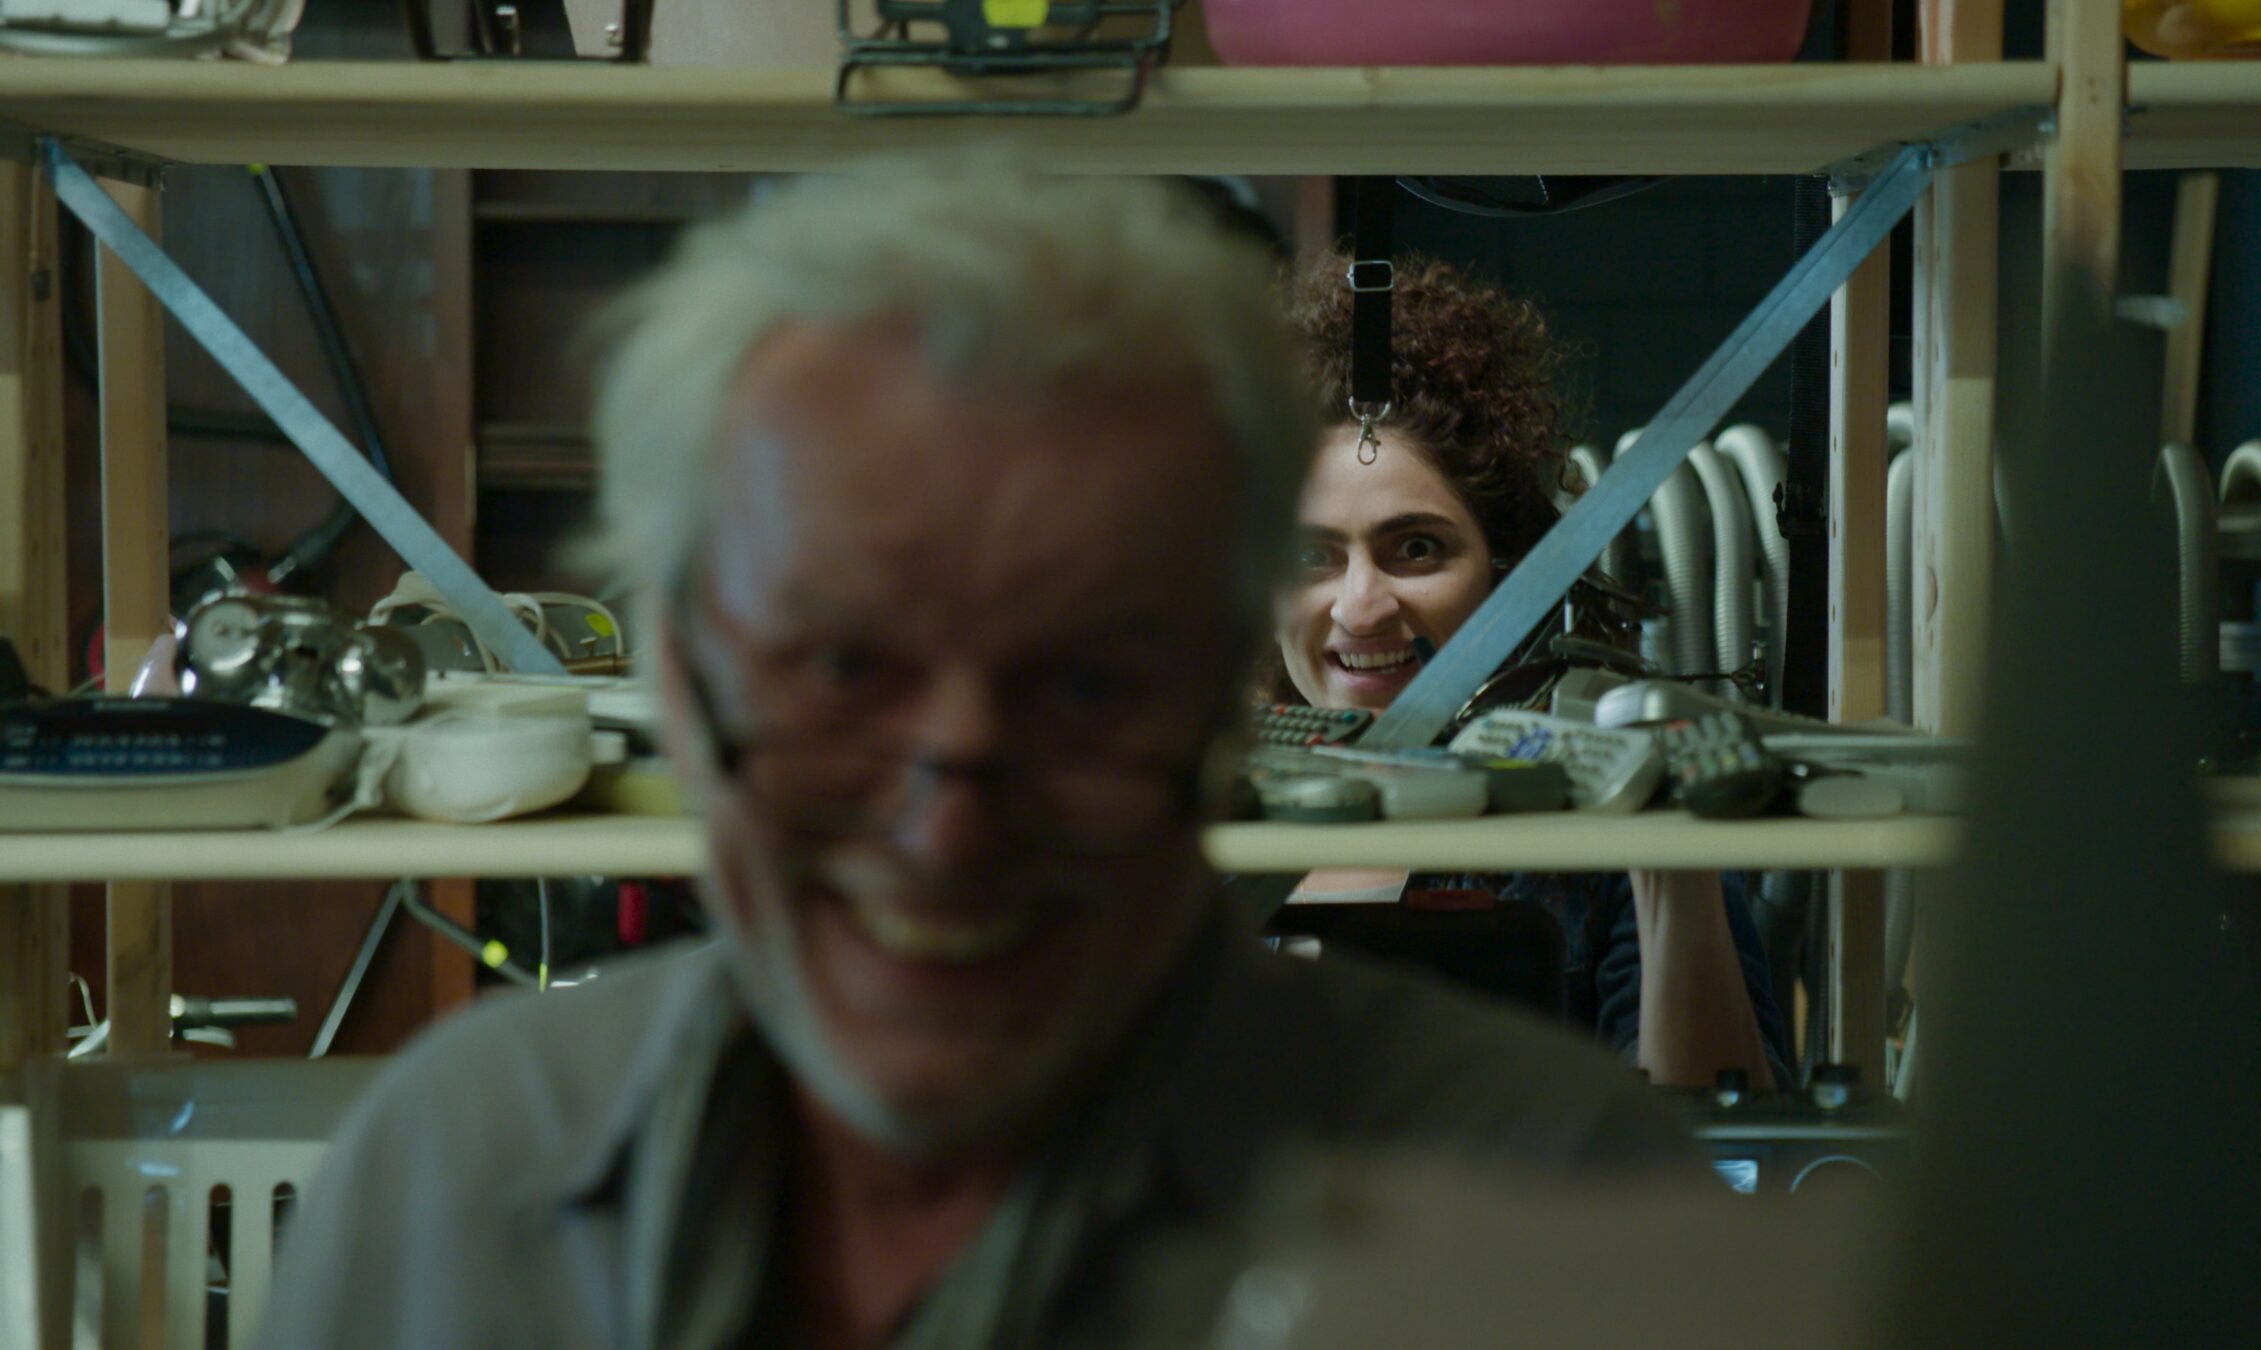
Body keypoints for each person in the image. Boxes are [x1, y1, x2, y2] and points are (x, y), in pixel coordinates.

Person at [257, 159, 1707, 1350]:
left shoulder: (1554, 1193)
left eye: (1080, 682)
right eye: (846, 668)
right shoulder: (452, 1180)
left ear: (1222, 704)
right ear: (686, 695)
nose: (950, 826)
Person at [1270, 251, 1785, 1088]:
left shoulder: (1604, 844)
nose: (1362, 608)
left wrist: (1673, 883)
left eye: (1417, 548)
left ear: (1510, 571)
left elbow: (1721, 1146)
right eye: (1309, 556)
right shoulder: (1186, 825)